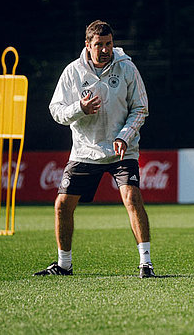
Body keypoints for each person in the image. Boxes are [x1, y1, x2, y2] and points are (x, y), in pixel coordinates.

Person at [34, 20, 155, 278]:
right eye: (99, 45)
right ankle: (63, 264)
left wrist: (125, 136)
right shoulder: (72, 72)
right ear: (87, 45)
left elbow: (141, 107)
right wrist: (80, 108)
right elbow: (56, 111)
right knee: (62, 205)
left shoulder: (126, 68)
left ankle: (146, 264)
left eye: (108, 44)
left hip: (122, 149)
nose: (105, 49)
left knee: (132, 198)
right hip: (85, 151)